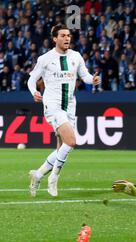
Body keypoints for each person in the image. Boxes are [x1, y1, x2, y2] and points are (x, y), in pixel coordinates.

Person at [27, 24, 101, 197]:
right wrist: (34, 92)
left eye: (68, 35)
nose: (67, 38)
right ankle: (53, 178)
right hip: (52, 105)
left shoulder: (76, 56)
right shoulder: (45, 58)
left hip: (70, 106)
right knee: (71, 141)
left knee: (63, 147)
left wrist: (93, 80)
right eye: (63, 35)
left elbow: (85, 76)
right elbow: (31, 79)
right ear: (55, 39)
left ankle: (38, 175)